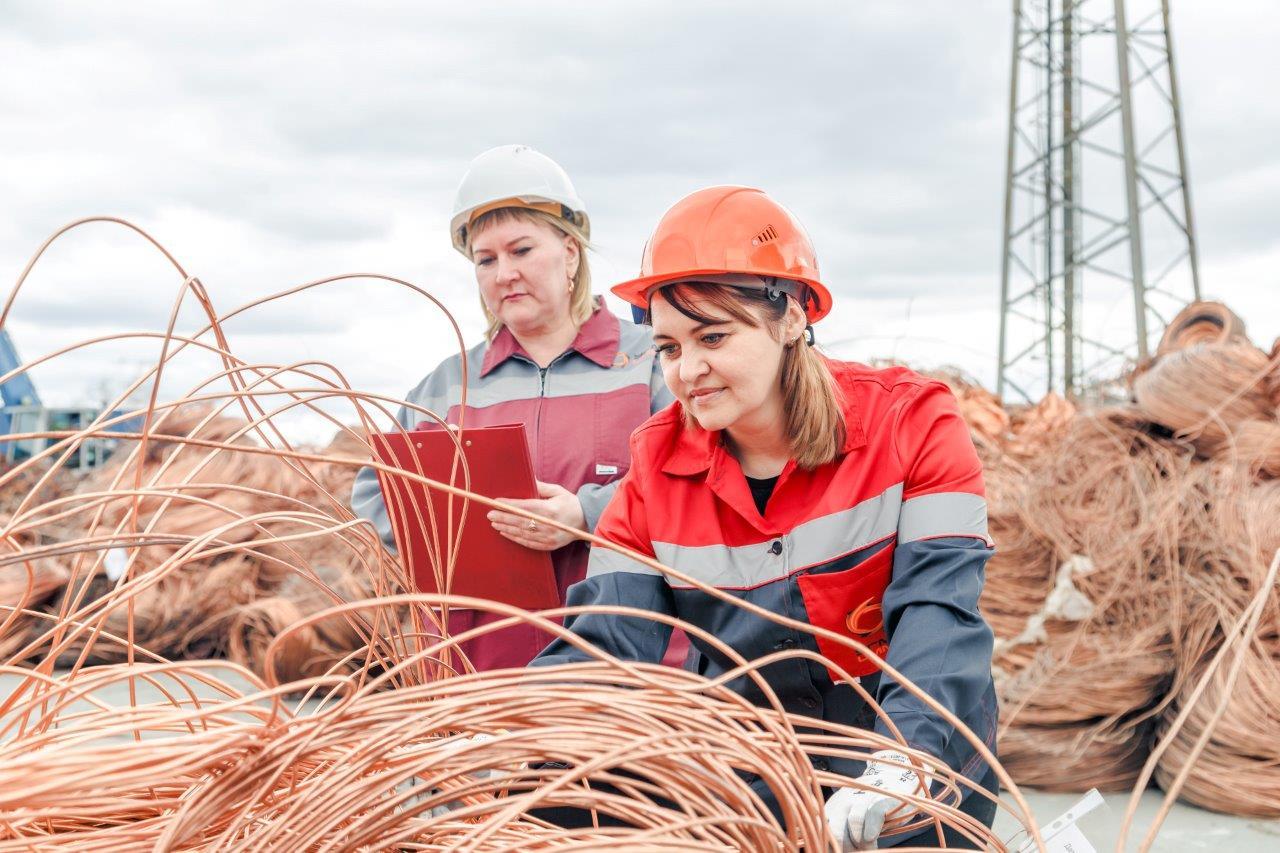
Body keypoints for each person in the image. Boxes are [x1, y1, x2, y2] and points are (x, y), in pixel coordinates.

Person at [530, 186, 999, 849]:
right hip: (757, 768)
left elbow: (938, 612)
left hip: (918, 748)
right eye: (668, 347)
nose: (688, 370)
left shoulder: (911, 423)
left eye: (713, 335)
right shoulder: (656, 469)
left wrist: (903, 759)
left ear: (791, 317)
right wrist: (525, 731)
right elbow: (604, 643)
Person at [350, 144, 675, 671]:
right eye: (486, 259)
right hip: (473, 681)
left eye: (521, 250)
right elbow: (373, 496)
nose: (503, 273)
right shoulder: (444, 386)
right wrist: (463, 533)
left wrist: (587, 514)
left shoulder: (653, 365)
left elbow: (701, 484)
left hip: (623, 677)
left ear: (571, 251)